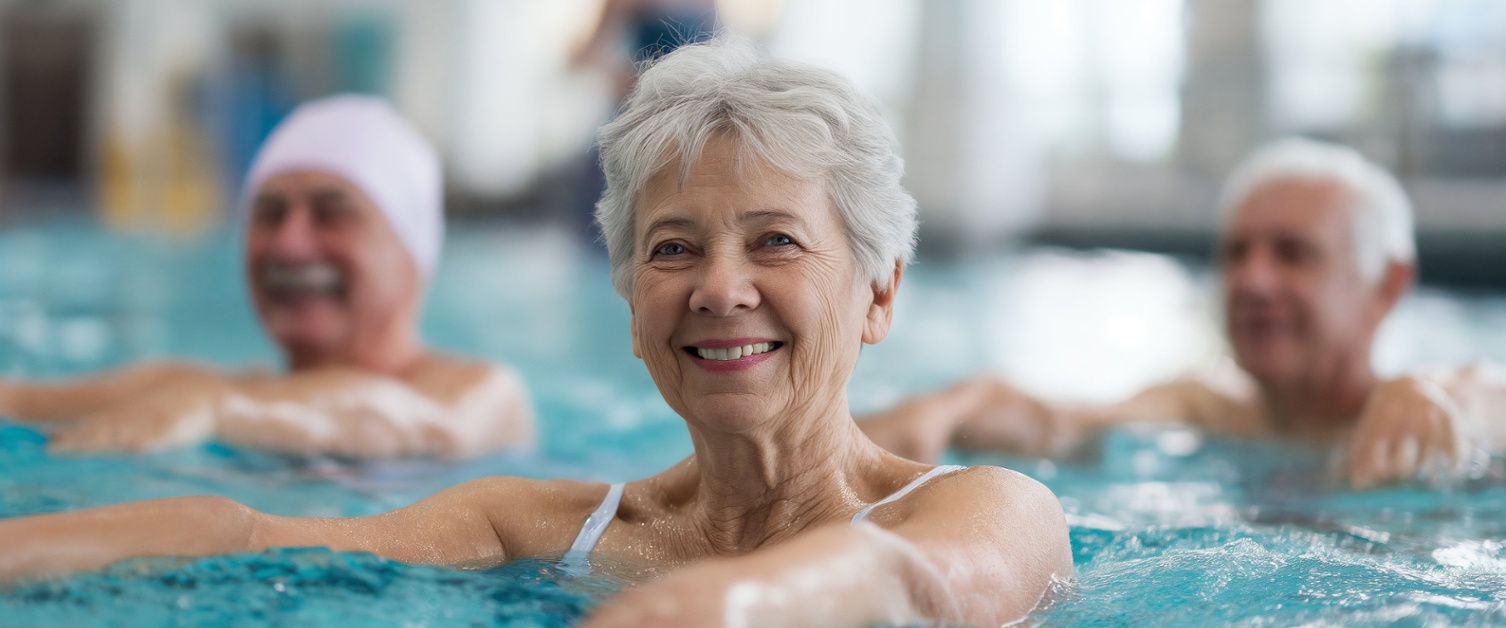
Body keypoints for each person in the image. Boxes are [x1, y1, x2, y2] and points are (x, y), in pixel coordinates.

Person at [0, 40, 1072, 626]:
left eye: (777, 241)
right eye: (672, 249)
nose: (718, 287)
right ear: (629, 303)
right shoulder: (554, 531)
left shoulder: (989, 505)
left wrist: (715, 606)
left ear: (881, 293)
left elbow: (913, 586)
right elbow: (252, 539)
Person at [862, 138, 1506, 489]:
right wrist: (947, 409)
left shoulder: (1430, 406)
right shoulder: (1206, 411)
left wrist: (1441, 397)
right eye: (1236, 253)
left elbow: (1483, 397)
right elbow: (1052, 421)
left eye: (1293, 254)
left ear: (1386, 287)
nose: (1252, 279)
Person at [0, 95, 534, 459]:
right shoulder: (207, 390)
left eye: (331, 212)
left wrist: (219, 411)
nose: (288, 243)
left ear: (411, 249)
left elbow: (414, 420)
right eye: (269, 212)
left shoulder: (482, 394)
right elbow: (22, 403)